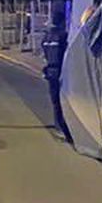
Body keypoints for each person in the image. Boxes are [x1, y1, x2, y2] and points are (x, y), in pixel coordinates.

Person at [40, 8, 69, 141]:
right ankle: (65, 128)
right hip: (61, 70)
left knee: (55, 101)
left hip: (50, 71)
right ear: (63, 22)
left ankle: (59, 126)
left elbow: (45, 52)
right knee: (63, 100)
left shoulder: (47, 37)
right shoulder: (63, 36)